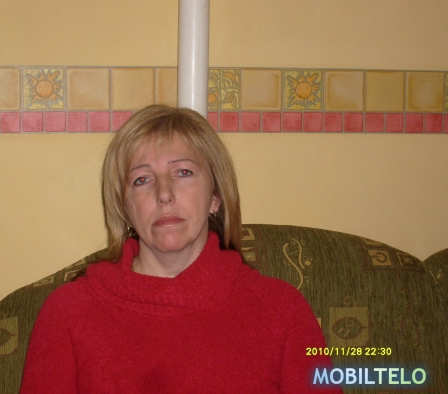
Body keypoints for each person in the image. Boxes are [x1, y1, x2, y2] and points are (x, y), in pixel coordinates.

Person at [20, 105, 340, 393]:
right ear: (124, 207)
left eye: (183, 172)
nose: (164, 194)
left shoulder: (282, 310)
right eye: (142, 179)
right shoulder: (68, 312)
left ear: (215, 197)